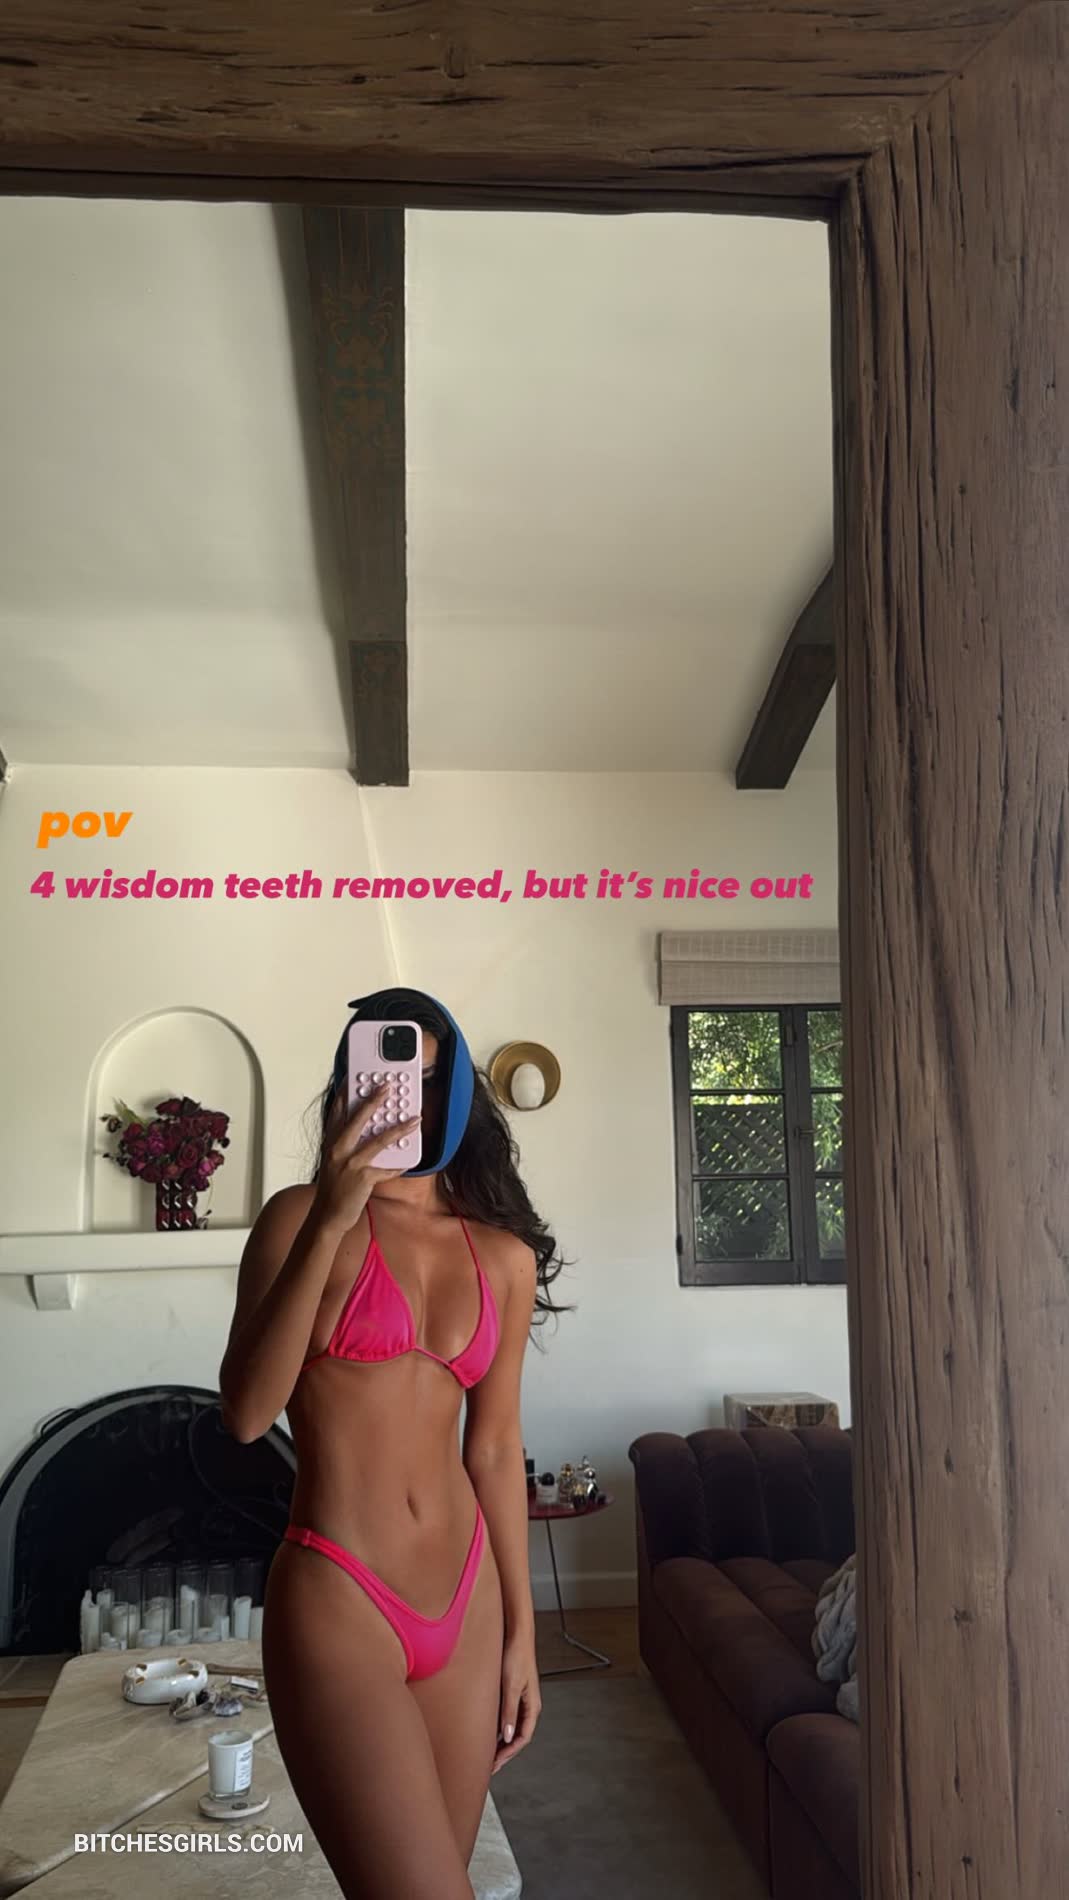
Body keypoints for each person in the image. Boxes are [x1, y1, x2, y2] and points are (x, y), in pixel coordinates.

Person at [218, 987, 568, 1899]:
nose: (401, 1095)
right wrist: (335, 1214)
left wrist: (523, 1633)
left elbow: (494, 1448)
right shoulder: (298, 1218)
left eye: (429, 1078)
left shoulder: (501, 1255)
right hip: (341, 1591)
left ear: (459, 1098)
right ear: (349, 1084)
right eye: (379, 1072)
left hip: (466, 1595)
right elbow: (247, 1415)